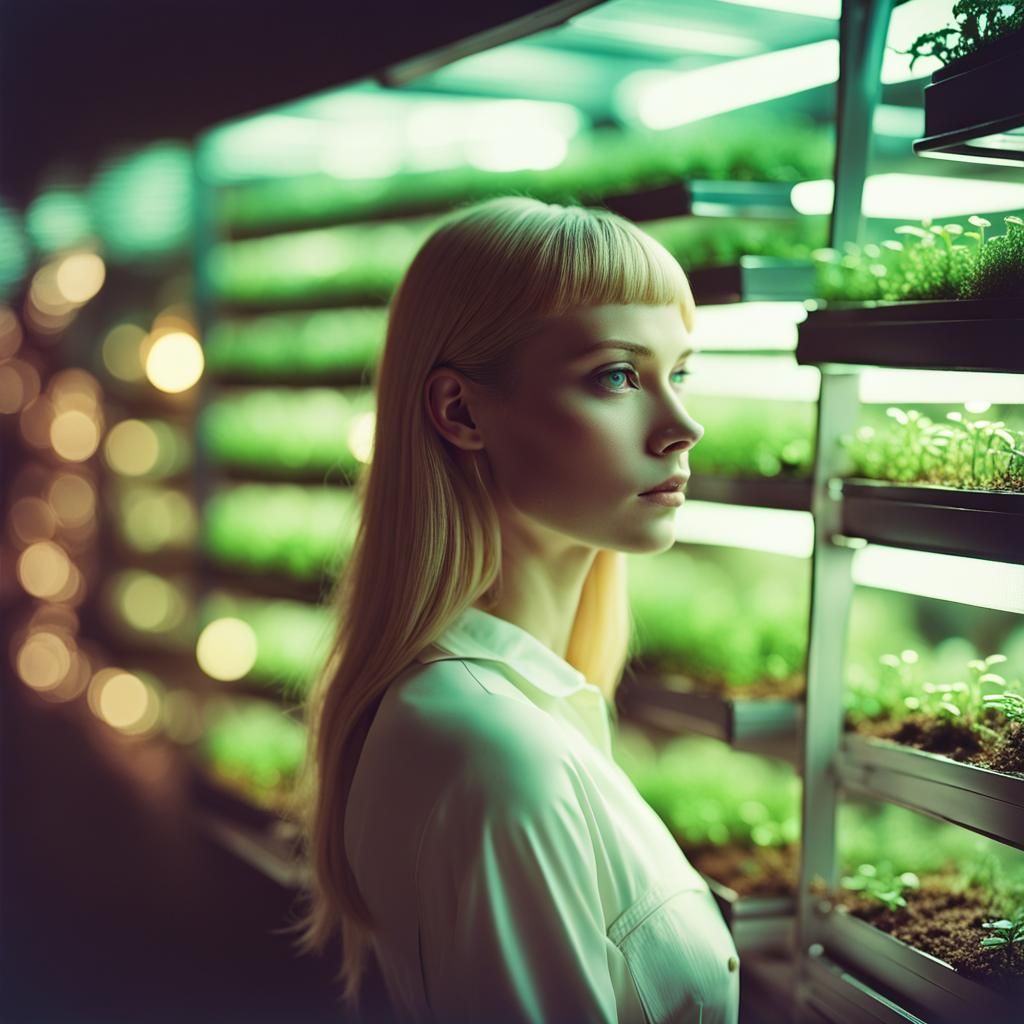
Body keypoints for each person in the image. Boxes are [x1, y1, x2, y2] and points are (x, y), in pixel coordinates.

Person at [282, 195, 740, 1023]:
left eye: (680, 373)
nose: (683, 426)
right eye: (616, 375)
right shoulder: (495, 756)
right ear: (460, 412)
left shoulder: (491, 714)